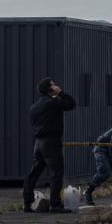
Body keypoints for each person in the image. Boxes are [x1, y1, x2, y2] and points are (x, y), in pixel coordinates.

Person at [22, 77, 76, 213]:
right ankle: (56, 205)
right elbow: (71, 104)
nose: (56, 86)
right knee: (56, 172)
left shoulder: (33, 107)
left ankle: (27, 203)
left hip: (38, 143)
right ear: (49, 89)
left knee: (34, 173)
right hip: (51, 142)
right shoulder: (52, 103)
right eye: (53, 85)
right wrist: (61, 93)